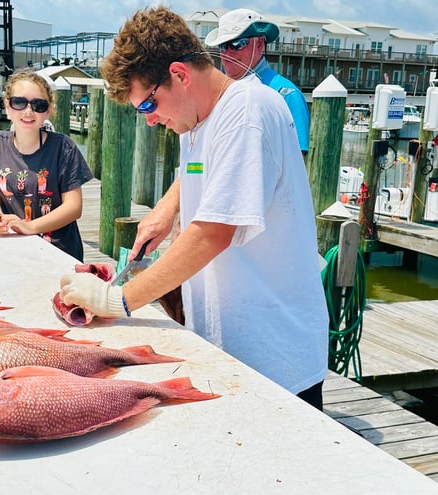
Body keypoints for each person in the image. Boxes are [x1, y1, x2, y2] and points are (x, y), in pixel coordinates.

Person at [59, 7, 328, 410]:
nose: (149, 122)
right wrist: (166, 208)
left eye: (148, 106)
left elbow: (212, 233)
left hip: (275, 362)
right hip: (225, 348)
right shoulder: (196, 117)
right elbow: (200, 169)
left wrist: (118, 301)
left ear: (180, 75)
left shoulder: (248, 110)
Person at [0, 69, 93, 261]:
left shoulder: (64, 148)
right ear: (8, 106)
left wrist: (31, 226)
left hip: (60, 252)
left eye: (38, 105)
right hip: (15, 247)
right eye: (19, 102)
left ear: (48, 111)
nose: (28, 111)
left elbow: (73, 207)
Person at [204, 8, 310, 155]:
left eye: (237, 43)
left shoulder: (287, 95)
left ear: (259, 44)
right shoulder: (215, 96)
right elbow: (200, 158)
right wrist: (187, 175)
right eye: (223, 46)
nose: (228, 53)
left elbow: (297, 163)